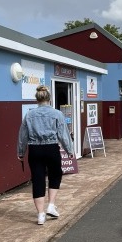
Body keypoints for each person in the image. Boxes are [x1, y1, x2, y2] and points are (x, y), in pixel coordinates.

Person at [17, 85, 74, 225]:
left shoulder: (29, 114)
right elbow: (63, 134)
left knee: (38, 179)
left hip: (34, 150)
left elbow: (23, 135)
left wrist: (20, 152)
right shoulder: (57, 114)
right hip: (51, 148)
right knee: (55, 174)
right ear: (49, 98)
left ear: (37, 99)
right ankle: (51, 205)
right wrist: (69, 150)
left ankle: (40, 215)